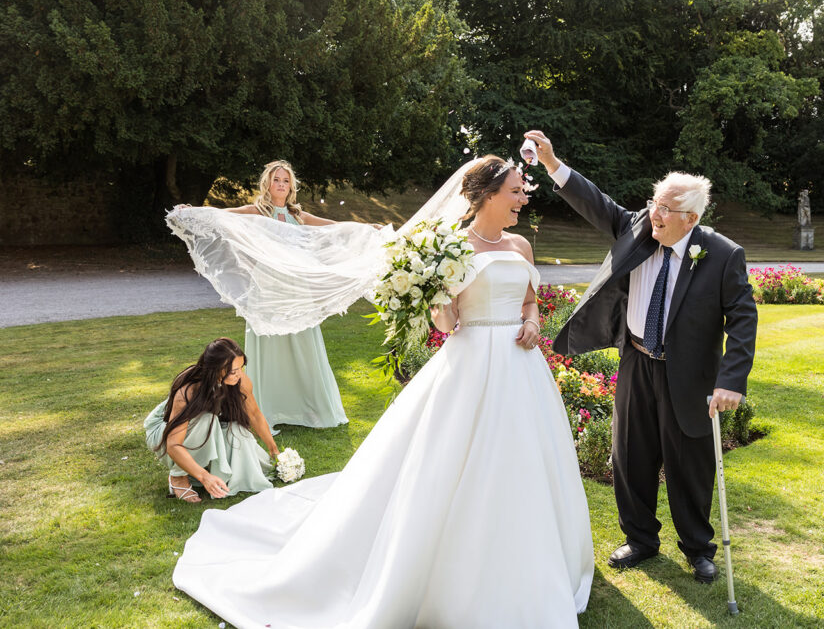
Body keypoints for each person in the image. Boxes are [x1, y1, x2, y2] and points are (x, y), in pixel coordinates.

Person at [170, 155, 594, 627]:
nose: (523, 198)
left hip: (522, 368)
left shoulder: (520, 245)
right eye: (516, 191)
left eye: (522, 191)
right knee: (454, 461)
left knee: (528, 458)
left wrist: (533, 322)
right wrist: (432, 292)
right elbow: (448, 323)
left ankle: (532, 555)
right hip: (471, 362)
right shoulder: (449, 247)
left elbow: (531, 299)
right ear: (488, 195)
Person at [524, 129, 757, 584]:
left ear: (689, 219)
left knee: (690, 461)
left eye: (666, 209)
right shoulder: (637, 227)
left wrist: (731, 379)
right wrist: (553, 164)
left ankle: (697, 547)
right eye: (655, 202)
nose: (656, 213)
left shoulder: (722, 254)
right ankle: (640, 540)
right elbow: (596, 202)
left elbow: (743, 320)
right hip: (636, 360)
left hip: (688, 373)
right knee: (630, 454)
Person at [221, 160, 349, 433]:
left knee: (303, 344)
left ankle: (307, 407)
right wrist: (192, 211)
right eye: (276, 179)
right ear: (267, 183)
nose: (281, 184)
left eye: (285, 180)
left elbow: (333, 227)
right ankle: (267, 409)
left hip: (295, 288)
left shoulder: (297, 214)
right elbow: (223, 215)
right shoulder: (257, 211)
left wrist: (365, 229)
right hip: (266, 287)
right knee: (268, 346)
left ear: (291, 186)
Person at [144, 338, 280, 503]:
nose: (239, 374)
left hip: (201, 426)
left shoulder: (240, 380)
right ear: (215, 370)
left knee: (235, 430)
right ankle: (178, 477)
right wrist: (204, 477)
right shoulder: (189, 390)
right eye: (233, 371)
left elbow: (255, 415)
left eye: (241, 367)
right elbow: (174, 445)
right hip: (164, 432)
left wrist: (274, 451)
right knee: (208, 420)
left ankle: (206, 467)